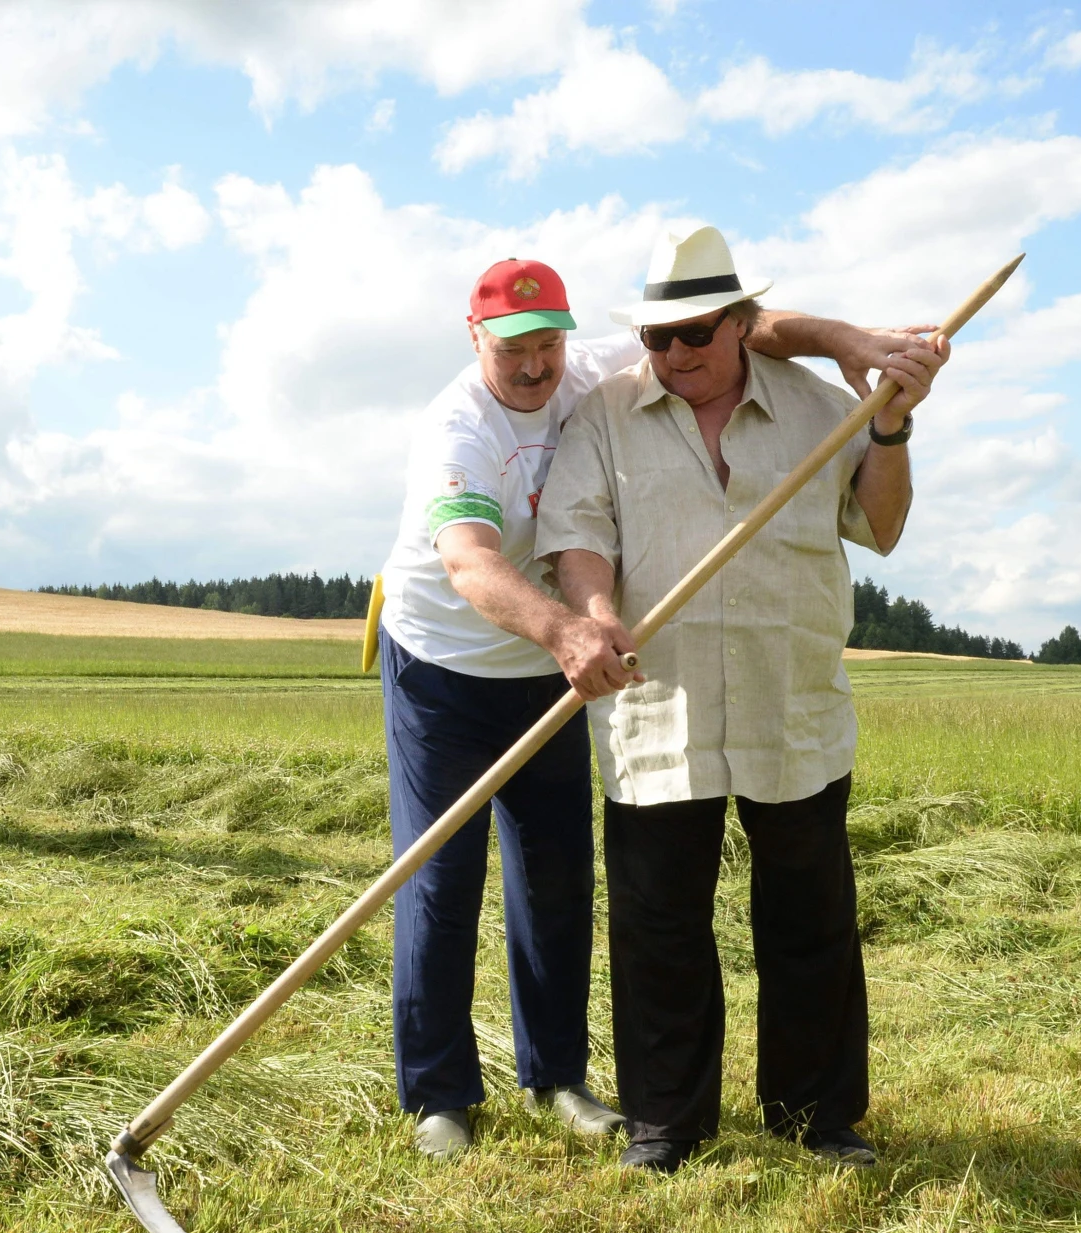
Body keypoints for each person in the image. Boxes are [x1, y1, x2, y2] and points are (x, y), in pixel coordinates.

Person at [378, 252, 932, 1158]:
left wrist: (856, 351)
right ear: (475, 336)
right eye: (510, 346)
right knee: (443, 880)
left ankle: (562, 1075)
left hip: (599, 672)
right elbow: (480, 559)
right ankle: (447, 1092)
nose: (532, 365)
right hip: (454, 661)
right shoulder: (470, 429)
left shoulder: (613, 368)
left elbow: (865, 499)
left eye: (545, 343)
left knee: (558, 883)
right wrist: (579, 626)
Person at [535, 226, 948, 1171]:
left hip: (790, 698)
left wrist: (887, 426)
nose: (675, 354)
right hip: (656, 704)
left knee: (810, 921)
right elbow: (576, 532)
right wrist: (594, 614)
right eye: (657, 338)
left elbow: (880, 525)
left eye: (695, 334)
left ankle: (817, 1118)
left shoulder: (814, 408)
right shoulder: (604, 415)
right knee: (657, 925)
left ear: (740, 325)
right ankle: (667, 1124)